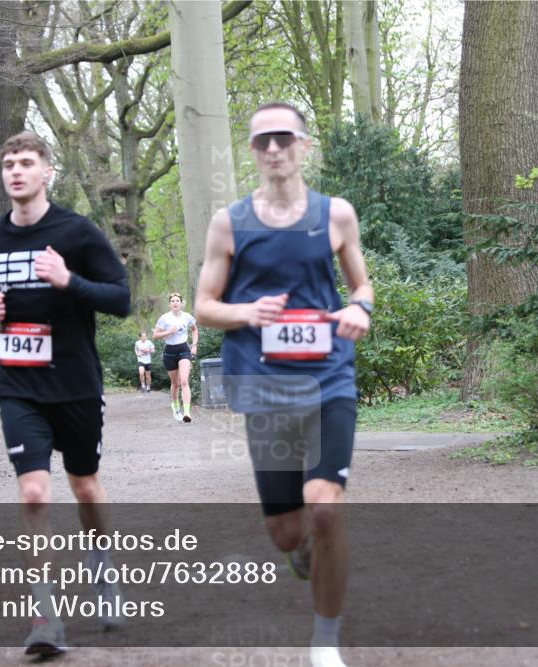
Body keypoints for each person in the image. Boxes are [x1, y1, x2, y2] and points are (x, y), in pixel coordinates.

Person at [195, 103, 373, 667]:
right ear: (252, 152)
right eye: (261, 142)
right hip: (265, 388)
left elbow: (362, 287)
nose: (273, 149)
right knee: (285, 533)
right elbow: (204, 306)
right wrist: (248, 313)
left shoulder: (335, 215)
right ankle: (298, 549)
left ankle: (325, 641)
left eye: (283, 138)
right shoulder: (229, 222)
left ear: (304, 145)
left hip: (328, 380)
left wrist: (359, 311)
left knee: (326, 508)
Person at [0, 131, 131, 655]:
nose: (16, 171)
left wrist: (69, 281)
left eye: (26, 163)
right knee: (35, 492)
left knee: (85, 486)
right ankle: (46, 617)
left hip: (75, 383)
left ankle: (104, 575)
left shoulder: (76, 232)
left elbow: (121, 300)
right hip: (19, 385)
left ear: (47, 172)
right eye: (9, 164)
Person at [152, 293, 199, 423]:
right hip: (170, 352)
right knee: (176, 383)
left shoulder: (187, 317)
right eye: (172, 301)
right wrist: (169, 332)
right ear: (170, 304)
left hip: (184, 349)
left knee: (184, 381)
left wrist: (194, 345)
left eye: (177, 300)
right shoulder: (164, 318)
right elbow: (155, 335)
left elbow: (195, 330)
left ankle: (187, 412)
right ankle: (175, 405)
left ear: (181, 303)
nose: (175, 302)